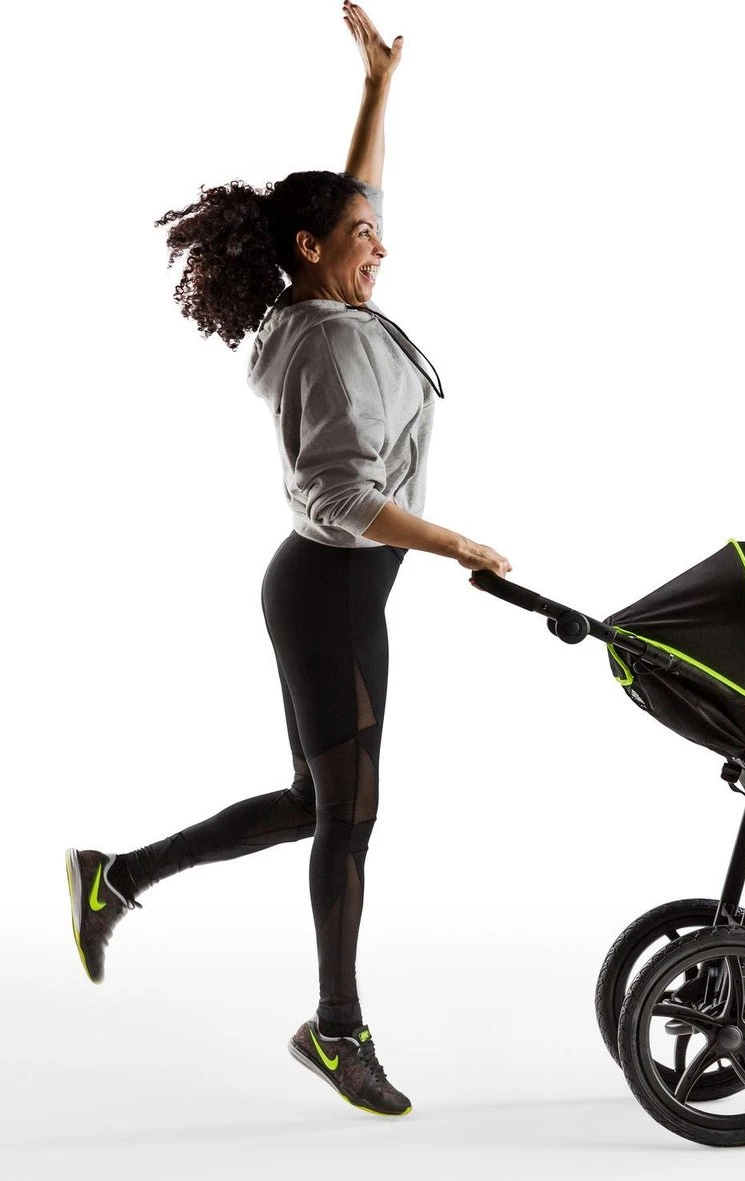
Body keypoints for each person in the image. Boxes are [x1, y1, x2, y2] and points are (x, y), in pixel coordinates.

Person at [64, 1, 511, 1119]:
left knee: (322, 802)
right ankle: (337, 1025)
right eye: (364, 236)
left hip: (332, 590)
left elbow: (352, 202)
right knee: (347, 816)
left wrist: (376, 91)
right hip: (332, 589)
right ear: (312, 251)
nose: (383, 243)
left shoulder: (311, 304)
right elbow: (337, 497)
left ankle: (116, 876)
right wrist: (456, 542)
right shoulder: (325, 344)